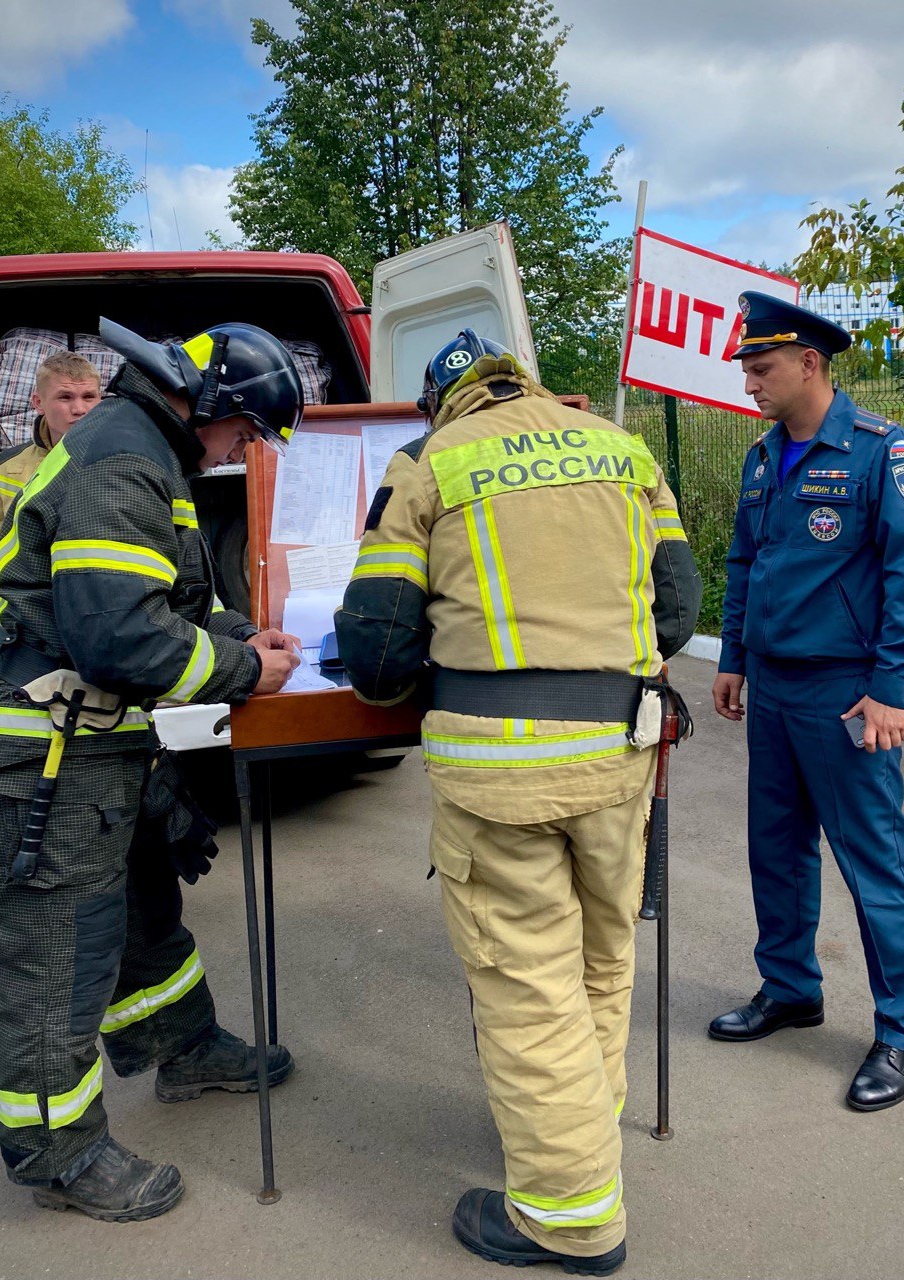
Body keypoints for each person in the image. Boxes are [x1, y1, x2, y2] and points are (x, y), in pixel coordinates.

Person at [336, 330, 700, 1275]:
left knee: (526, 986)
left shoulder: (427, 466)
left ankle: (571, 1215)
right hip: (618, 761)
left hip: (498, 775)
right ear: (519, 382)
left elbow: (375, 657)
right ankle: (581, 1133)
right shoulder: (622, 451)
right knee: (601, 960)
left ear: (440, 402)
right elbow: (674, 614)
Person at [0, 318, 304, 1221]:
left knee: (143, 908)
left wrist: (241, 635)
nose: (246, 450)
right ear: (206, 408)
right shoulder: (125, 462)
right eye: (246, 431)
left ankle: (182, 1050)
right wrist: (244, 673)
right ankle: (58, 1156)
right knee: (56, 955)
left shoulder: (145, 450)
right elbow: (116, 634)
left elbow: (170, 599)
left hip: (96, 743)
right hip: (47, 755)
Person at [709, 291, 904, 1111]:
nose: (750, 384)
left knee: (873, 860)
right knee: (775, 847)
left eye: (761, 368)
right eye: (746, 370)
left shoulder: (883, 453)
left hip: (846, 693)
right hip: (771, 685)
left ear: (810, 363)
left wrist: (893, 690)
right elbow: (745, 561)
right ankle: (790, 989)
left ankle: (902, 1031)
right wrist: (733, 655)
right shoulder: (762, 457)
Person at [0, 352, 103, 657]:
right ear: (38, 403)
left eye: (88, 396)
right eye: (65, 397)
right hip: (20, 633)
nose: (79, 408)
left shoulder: (122, 462)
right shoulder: (8, 467)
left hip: (97, 628)